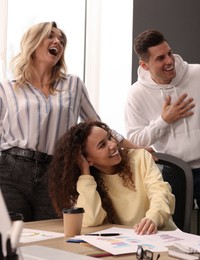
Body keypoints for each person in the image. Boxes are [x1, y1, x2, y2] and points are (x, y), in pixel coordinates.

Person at [0, 21, 138, 222]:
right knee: (10, 239)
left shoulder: (73, 84)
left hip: (54, 171)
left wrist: (136, 148)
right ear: (33, 42)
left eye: (61, 40)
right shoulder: (6, 89)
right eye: (50, 36)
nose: (58, 41)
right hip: (11, 169)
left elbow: (97, 126)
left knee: (51, 237)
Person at [125, 29, 200, 239]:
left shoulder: (199, 74)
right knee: (176, 238)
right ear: (144, 65)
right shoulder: (136, 94)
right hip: (174, 174)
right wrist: (164, 120)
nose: (169, 61)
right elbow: (134, 139)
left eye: (170, 53)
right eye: (160, 58)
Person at [47, 121, 176, 234]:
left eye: (109, 138)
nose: (113, 145)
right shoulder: (88, 182)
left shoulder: (140, 157)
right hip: (125, 244)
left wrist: (153, 218)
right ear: (87, 159)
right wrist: (85, 173)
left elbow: (161, 192)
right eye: (102, 145)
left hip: (160, 236)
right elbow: (92, 219)